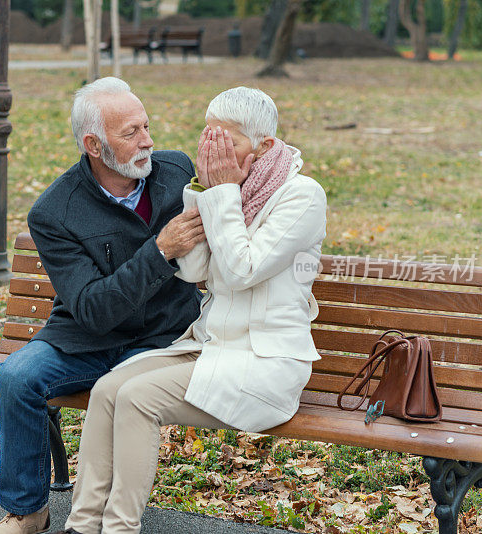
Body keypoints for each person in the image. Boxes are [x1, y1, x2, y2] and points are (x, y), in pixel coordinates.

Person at [52, 87, 328, 534]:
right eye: (209, 139)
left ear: (266, 147)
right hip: (214, 347)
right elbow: (195, 269)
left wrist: (220, 194)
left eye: (228, 143)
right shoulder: (224, 190)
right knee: (107, 390)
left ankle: (119, 529)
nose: (214, 153)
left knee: (138, 399)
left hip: (266, 362)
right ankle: (81, 526)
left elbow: (242, 270)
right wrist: (201, 191)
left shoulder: (301, 197)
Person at [0, 77, 207, 534]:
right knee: (16, 377)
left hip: (161, 337)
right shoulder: (55, 212)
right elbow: (91, 309)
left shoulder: (175, 172)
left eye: (146, 126)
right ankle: (28, 511)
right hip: (87, 336)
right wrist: (159, 251)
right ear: (94, 144)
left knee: (121, 392)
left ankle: (105, 518)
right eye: (131, 132)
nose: (147, 141)